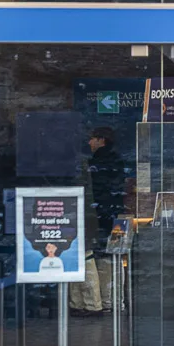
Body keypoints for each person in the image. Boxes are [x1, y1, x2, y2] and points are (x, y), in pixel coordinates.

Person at [70, 126, 127, 316]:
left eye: (92, 138)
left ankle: (92, 304)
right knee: (110, 257)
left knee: (87, 255)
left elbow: (89, 191)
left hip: (96, 215)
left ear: (101, 140)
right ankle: (111, 301)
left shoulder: (94, 163)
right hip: (115, 215)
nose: (89, 142)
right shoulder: (118, 161)